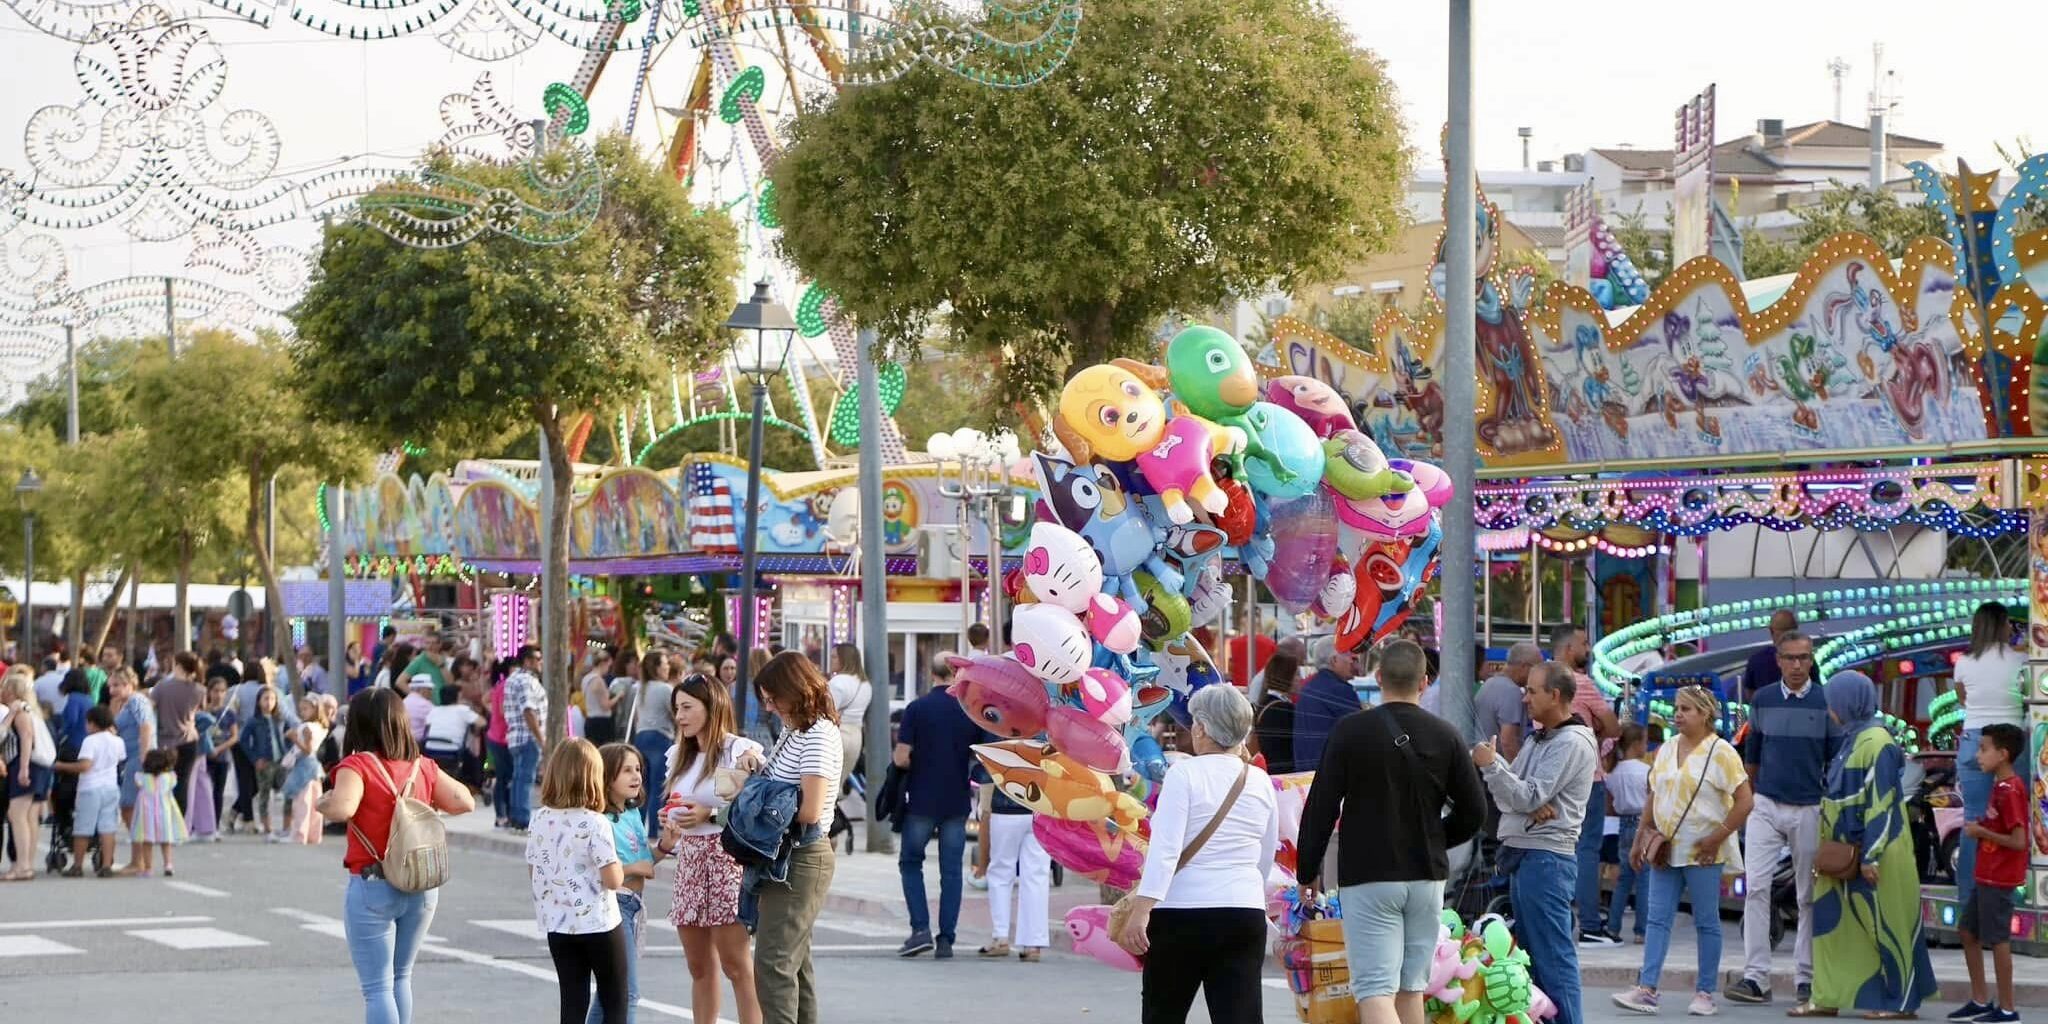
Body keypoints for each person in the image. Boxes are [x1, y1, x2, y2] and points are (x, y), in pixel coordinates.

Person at [1296, 640, 1487, 1024]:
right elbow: (1475, 811)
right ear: (1425, 681)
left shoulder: (1351, 731)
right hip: (1426, 877)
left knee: (1374, 990)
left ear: (1378, 677)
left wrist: (1307, 870)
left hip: (1368, 876)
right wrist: (1435, 838)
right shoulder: (1446, 735)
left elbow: (1321, 807)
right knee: (1409, 988)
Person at [1116, 685, 1278, 1024]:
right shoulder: (1260, 780)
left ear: (1202, 728)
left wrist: (1142, 910)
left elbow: (1166, 848)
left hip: (1181, 912)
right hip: (1242, 908)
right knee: (1241, 1015)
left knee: (1165, 1011)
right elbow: (1266, 852)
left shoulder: (1184, 774)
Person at [319, 686, 476, 1024]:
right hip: (420, 883)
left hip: (373, 883)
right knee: (401, 977)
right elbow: (465, 801)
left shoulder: (358, 765)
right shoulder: (423, 767)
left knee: (377, 987)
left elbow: (343, 807)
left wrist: (323, 802)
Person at [1797, 671, 1934, 1020]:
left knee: (1886, 927)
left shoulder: (1877, 742)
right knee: (1832, 927)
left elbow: (1883, 801)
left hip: (1878, 852)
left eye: (1833, 703)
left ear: (1848, 702)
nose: (1830, 711)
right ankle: (1826, 996)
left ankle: (1900, 1001)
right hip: (1842, 852)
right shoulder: (1852, 738)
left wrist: (1871, 856)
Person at [1612, 686, 1754, 1016]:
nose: (1678, 714)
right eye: (1677, 708)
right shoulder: (1666, 749)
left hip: (1704, 851)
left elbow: (1746, 800)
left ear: (1706, 714)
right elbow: (1653, 794)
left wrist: (1717, 837)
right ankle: (1647, 988)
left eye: (1687, 709)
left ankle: (1705, 992)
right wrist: (1639, 838)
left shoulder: (1722, 752)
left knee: (1707, 920)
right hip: (1666, 846)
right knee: (1657, 919)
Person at [1473, 662, 1598, 1024]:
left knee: (1553, 961)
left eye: (1531, 691)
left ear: (1555, 696)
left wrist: (1491, 766)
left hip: (1546, 860)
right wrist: (1517, 792)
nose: (1524, 698)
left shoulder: (1571, 741)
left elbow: (1524, 795)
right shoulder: (1537, 738)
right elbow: (1512, 799)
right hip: (1526, 856)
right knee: (1531, 962)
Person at [1727, 630, 1837, 1006]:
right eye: (1789, 658)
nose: (1796, 665)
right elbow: (1752, 755)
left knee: (1808, 895)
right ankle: (1756, 977)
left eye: (1803, 658)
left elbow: (1834, 759)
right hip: (1767, 805)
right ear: (1777, 660)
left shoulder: (1826, 701)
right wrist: (1754, 799)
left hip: (1809, 806)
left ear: (1811, 660)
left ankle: (1805, 978)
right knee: (1756, 887)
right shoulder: (1764, 701)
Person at [657, 673, 764, 1024]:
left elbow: (749, 806)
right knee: (698, 966)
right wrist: (670, 815)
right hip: (689, 859)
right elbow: (679, 801)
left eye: (687, 707)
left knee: (736, 965)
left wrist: (709, 812)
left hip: (726, 859)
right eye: (677, 709)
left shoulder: (739, 751)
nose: (680, 716)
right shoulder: (679, 755)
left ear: (712, 706)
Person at [750, 652, 843, 1024]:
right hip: (787, 853)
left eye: (774, 698)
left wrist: (758, 796)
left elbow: (809, 808)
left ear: (797, 690)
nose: (770, 707)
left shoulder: (819, 733)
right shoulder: (796, 729)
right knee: (794, 961)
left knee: (772, 963)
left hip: (803, 853)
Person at [890, 651, 983, 958]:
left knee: (911, 863)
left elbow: (902, 757)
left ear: (931, 674)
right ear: (957, 675)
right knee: (952, 872)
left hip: (921, 799)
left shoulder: (916, 709)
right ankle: (946, 939)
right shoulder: (968, 710)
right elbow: (980, 754)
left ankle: (920, 930)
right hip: (956, 801)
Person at [1949, 602, 2027, 918]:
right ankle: (2012, 895)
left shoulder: (1965, 662)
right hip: (2010, 740)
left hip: (1974, 741)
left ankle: (1969, 903)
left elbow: (1963, 698)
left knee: (1974, 821)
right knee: (2015, 817)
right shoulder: (2021, 660)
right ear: (2002, 625)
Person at [1947, 724, 2026, 1024]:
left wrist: (1981, 832)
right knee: (1968, 931)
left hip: (2000, 877)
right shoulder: (1999, 787)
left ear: (2003, 754)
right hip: (1985, 874)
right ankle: (1980, 999)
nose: (1978, 756)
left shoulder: (2013, 790)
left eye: (1984, 749)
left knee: (1998, 939)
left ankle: (2008, 1008)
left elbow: (2019, 841)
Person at [1549, 625, 1620, 947]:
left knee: (1555, 849)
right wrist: (1596, 740)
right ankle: (1591, 926)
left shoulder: (1541, 682)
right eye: (1583, 642)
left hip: (1552, 780)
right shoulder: (1582, 684)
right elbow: (1614, 726)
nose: (1589, 648)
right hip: (1586, 780)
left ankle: (1559, 921)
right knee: (1587, 851)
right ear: (1567, 649)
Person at [590, 743, 661, 1024]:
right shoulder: (600, 820)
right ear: (607, 777)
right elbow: (601, 870)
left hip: (632, 906)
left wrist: (664, 847)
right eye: (627, 771)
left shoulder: (632, 815)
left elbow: (645, 861)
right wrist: (635, 868)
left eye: (638, 769)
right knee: (627, 993)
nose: (637, 776)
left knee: (608, 994)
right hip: (614, 904)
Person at [974, 751, 1052, 962]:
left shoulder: (1000, 722)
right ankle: (1033, 943)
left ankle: (1000, 937)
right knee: (1037, 875)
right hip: (1040, 807)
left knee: (1000, 871)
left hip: (1004, 806)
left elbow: (985, 760)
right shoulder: (1046, 724)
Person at [55, 705, 123, 876]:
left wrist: (60, 765)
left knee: (83, 827)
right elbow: (121, 759)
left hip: (90, 788)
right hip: (110, 787)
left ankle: (77, 866)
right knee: (108, 828)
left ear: (92, 724)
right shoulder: (117, 740)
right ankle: (106, 865)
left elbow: (85, 765)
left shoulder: (90, 741)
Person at [1603, 724, 1653, 944]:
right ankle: (1641, 930)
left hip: (1623, 824)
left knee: (1623, 879)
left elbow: (1611, 803)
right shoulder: (1645, 771)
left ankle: (1613, 927)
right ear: (1636, 744)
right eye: (1644, 742)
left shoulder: (1613, 772)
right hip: (1644, 824)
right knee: (1644, 879)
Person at [2, 666, 53, 880]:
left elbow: (26, 738)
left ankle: (22, 865)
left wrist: (23, 768)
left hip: (26, 763)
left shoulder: (20, 711)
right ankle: (27, 863)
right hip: (39, 764)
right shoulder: (32, 710)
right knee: (30, 815)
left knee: (17, 814)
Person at [1292, 636, 1361, 771]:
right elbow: (1361, 734)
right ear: (1334, 660)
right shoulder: (1340, 690)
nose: (1353, 663)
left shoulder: (1308, 688)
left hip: (1305, 771)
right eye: (1350, 657)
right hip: (1331, 774)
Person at [276, 694, 334, 843]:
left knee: (302, 803)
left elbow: (307, 750)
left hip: (304, 765)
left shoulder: (307, 727)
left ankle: (299, 835)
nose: (302, 712)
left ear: (315, 709)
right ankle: (313, 835)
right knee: (314, 802)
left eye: (305, 709)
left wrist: (294, 738)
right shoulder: (321, 726)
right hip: (314, 767)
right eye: (301, 709)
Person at [109, 667, 156, 840]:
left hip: (138, 758)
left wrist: (144, 756)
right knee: (130, 805)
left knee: (128, 804)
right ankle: (138, 844)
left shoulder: (137, 701)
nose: (112, 690)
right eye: (111, 686)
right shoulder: (125, 704)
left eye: (117, 685)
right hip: (128, 759)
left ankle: (140, 846)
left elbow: (145, 726)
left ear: (130, 684)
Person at [1476, 642, 1542, 762]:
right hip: (1497, 768)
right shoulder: (1511, 691)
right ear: (1524, 667)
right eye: (1537, 668)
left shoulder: (1489, 684)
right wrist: (1516, 775)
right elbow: (1508, 741)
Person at [505, 645, 547, 833]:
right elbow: (529, 710)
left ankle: (516, 818)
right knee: (525, 778)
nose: (541, 663)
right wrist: (541, 738)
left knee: (519, 777)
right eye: (538, 659)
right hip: (527, 736)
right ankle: (522, 819)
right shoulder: (526, 681)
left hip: (516, 736)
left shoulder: (513, 679)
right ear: (528, 661)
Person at [128, 747, 188, 876]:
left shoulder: (141, 778)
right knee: (166, 841)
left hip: (146, 816)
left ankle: (148, 868)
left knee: (147, 841)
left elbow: (137, 785)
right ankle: (168, 865)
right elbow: (173, 784)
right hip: (164, 813)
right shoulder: (169, 778)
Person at [243, 684, 288, 836]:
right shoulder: (253, 721)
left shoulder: (280, 718)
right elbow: (243, 741)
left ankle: (286, 826)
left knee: (288, 791)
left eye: (272, 699)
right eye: (266, 699)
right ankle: (267, 827)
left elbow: (288, 736)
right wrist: (255, 758)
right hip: (264, 762)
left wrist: (288, 754)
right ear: (259, 702)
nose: (269, 702)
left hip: (281, 760)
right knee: (264, 794)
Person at [191, 676, 230, 843]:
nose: (219, 695)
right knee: (201, 791)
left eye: (222, 691)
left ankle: (211, 826)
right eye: (215, 691)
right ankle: (200, 827)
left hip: (214, 756)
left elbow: (209, 731)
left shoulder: (207, 715)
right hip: (203, 757)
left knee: (212, 792)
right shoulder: (201, 714)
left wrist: (216, 749)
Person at [423, 686, 485, 792]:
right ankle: (474, 786)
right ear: (457, 697)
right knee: (475, 758)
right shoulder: (463, 710)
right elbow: (482, 722)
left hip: (430, 749)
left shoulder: (434, 710)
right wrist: (475, 731)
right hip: (452, 751)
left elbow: (427, 727)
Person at [1249, 646, 1301, 773]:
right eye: (1297, 675)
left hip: (1268, 771)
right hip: (1283, 775)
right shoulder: (1283, 709)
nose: (1300, 679)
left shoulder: (1266, 702)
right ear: (1287, 677)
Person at [826, 643, 870, 771]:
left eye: (834, 657)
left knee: (828, 785)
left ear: (844, 659)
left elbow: (826, 712)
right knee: (840, 782)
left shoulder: (837, 682)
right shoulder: (865, 684)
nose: (831, 660)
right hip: (856, 736)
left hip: (836, 734)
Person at [1739, 610, 1798, 704]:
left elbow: (1750, 696)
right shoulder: (1806, 660)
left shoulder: (1755, 661)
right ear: (1796, 630)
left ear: (1771, 630)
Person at [582, 649, 618, 746]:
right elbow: (605, 705)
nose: (608, 669)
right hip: (602, 722)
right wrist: (618, 696)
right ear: (603, 663)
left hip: (590, 719)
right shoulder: (598, 681)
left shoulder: (585, 679)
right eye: (608, 666)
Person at [403, 675, 436, 745]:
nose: (431, 692)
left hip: (402, 741)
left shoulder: (404, 701)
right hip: (417, 744)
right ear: (421, 689)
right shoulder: (426, 705)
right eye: (429, 689)